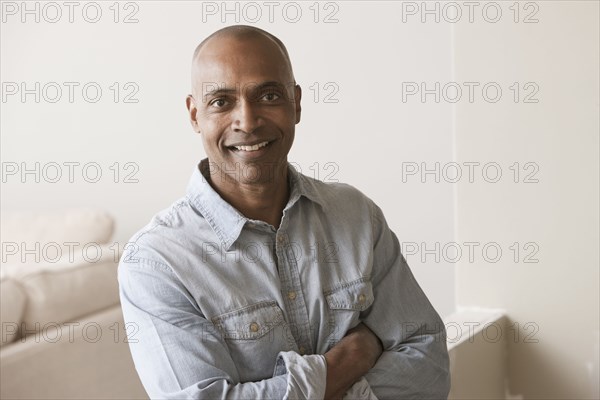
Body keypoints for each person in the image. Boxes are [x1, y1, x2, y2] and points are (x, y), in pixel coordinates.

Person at [118, 25, 450, 400]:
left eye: (268, 95)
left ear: (296, 103)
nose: (247, 120)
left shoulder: (357, 216)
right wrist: (350, 359)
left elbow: (430, 365)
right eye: (221, 102)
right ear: (195, 115)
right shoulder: (156, 262)